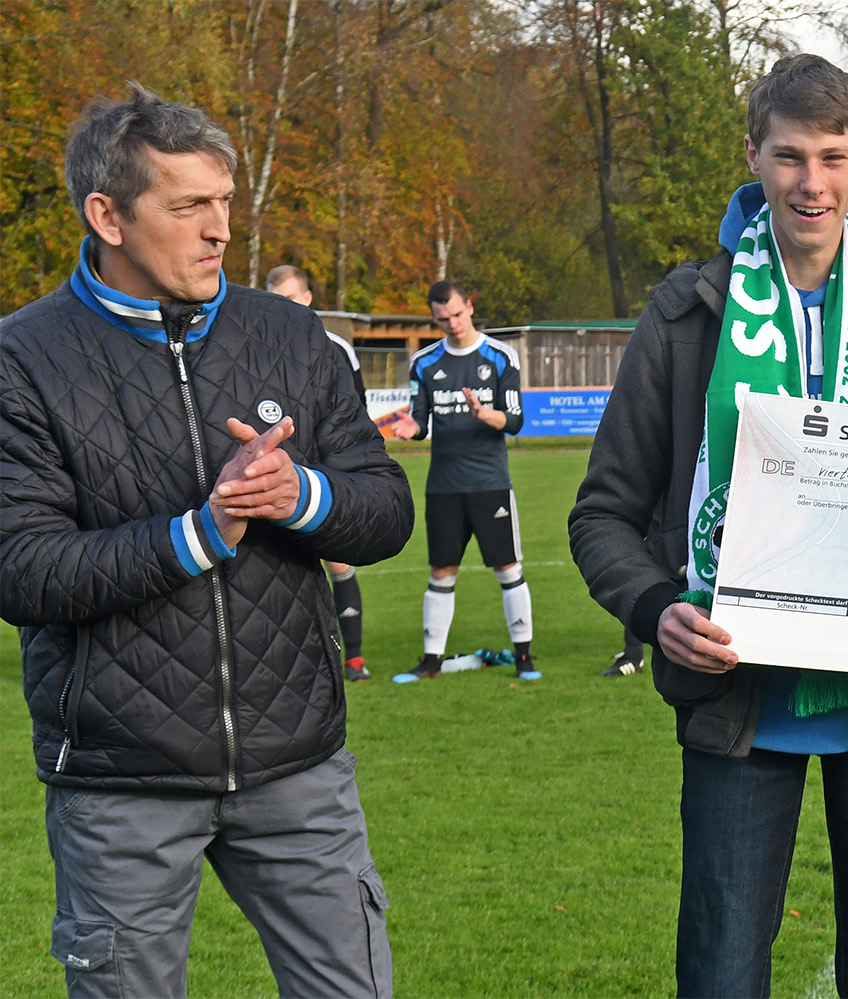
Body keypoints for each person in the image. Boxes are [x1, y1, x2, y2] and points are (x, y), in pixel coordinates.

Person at [567, 54, 848, 997]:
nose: (813, 183)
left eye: (833, 157)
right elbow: (604, 511)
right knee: (721, 978)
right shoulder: (687, 315)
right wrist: (653, 609)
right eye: (791, 156)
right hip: (738, 708)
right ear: (754, 156)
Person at [0, 83, 410, 997]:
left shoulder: (289, 333)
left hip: (299, 766)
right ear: (106, 214)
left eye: (225, 202)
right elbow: (18, 567)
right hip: (120, 781)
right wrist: (198, 531)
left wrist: (299, 494)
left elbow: (385, 511)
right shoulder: (22, 358)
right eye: (188, 206)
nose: (220, 230)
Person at [389, 280, 537, 679]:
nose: (452, 324)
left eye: (457, 314)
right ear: (434, 319)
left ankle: (524, 656)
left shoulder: (501, 356)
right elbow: (421, 421)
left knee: (508, 568)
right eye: (442, 319)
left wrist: (486, 415)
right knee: (441, 572)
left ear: (469, 307)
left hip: (490, 482)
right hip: (443, 485)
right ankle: (431, 661)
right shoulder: (424, 363)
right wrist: (411, 427)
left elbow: (516, 420)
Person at [267, 264, 372, 681]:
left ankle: (355, 659)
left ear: (308, 299)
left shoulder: (336, 348)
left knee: (338, 563)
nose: (284, 309)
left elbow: (354, 415)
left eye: (291, 299)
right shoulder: (258, 345)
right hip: (278, 472)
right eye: (277, 301)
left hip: (325, 472)